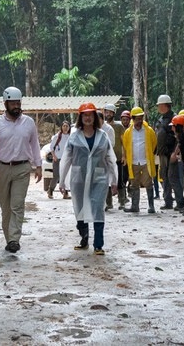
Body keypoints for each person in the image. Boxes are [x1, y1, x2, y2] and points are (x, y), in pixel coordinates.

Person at [0, 86, 42, 254]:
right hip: (2, 168)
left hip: (22, 168)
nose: (16, 106)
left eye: (18, 102)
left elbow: (35, 145)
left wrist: (38, 166)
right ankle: (9, 238)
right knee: (6, 207)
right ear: (6, 103)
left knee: (17, 205)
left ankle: (14, 239)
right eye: (13, 103)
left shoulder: (28, 123)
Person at [59, 103, 118, 255]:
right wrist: (61, 180)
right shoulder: (74, 137)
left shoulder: (103, 136)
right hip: (79, 178)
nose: (87, 118)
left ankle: (98, 245)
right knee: (79, 209)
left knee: (98, 209)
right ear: (80, 118)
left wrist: (114, 180)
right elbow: (66, 159)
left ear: (94, 117)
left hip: (99, 178)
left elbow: (111, 158)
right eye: (84, 115)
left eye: (90, 115)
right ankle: (84, 239)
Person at [122, 107, 158, 214]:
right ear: (132, 119)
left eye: (141, 118)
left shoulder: (149, 131)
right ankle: (135, 206)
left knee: (148, 183)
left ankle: (151, 206)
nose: (139, 121)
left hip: (145, 162)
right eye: (137, 119)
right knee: (134, 184)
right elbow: (125, 145)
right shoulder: (128, 132)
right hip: (133, 162)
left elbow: (154, 143)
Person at [155, 95, 184, 211]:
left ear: (164, 105)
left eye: (159, 105)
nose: (158, 107)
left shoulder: (175, 118)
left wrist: (174, 153)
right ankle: (168, 202)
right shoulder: (161, 119)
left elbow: (179, 138)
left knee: (173, 178)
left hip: (171, 154)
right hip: (163, 154)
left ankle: (180, 203)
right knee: (164, 177)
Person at [103, 103, 127, 210]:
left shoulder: (119, 126)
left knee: (119, 180)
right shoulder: (102, 127)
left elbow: (124, 142)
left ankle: (122, 201)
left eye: (109, 112)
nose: (107, 114)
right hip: (106, 158)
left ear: (113, 113)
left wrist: (124, 156)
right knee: (107, 180)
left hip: (117, 157)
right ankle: (109, 203)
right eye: (106, 112)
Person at [48, 121, 71, 199]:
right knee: (56, 176)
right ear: (61, 127)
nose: (65, 128)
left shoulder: (70, 137)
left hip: (67, 159)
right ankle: (51, 190)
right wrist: (54, 156)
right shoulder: (57, 136)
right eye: (64, 126)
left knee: (66, 176)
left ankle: (66, 193)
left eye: (67, 126)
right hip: (57, 159)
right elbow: (51, 147)